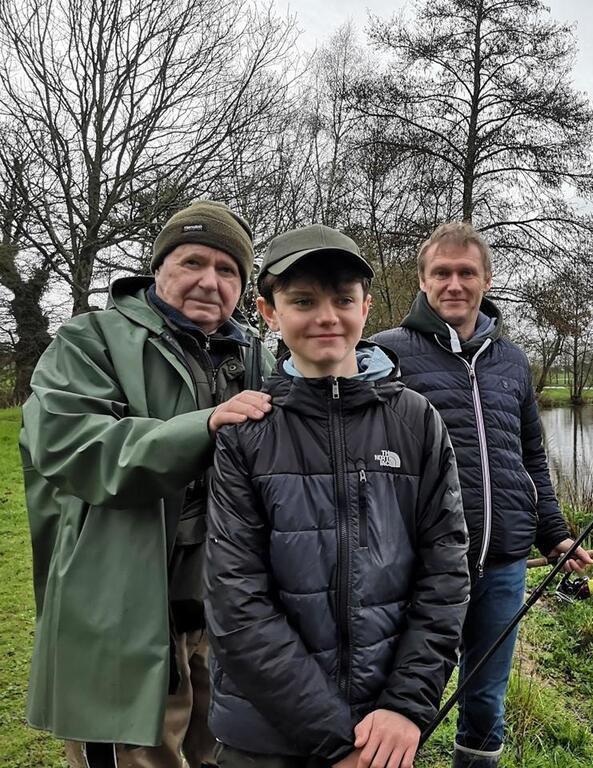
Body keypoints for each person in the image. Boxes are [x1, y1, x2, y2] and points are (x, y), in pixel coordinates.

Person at [20, 199, 275, 768]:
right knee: (135, 756)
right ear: (158, 267)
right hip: (123, 609)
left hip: (224, 612)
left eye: (228, 269)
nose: (210, 281)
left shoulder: (256, 357)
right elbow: (72, 448)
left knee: (221, 753)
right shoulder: (88, 341)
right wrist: (203, 427)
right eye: (192, 262)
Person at [204, 224, 471, 768]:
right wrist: (334, 741)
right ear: (267, 311)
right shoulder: (245, 430)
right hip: (264, 734)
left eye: (343, 300)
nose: (327, 317)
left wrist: (405, 707)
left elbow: (445, 575)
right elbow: (237, 602)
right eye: (302, 301)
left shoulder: (417, 420)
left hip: (382, 732)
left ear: (366, 308)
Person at [372, 222, 593, 767]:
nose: (454, 283)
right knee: (403, 696)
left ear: (485, 279)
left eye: (465, 272)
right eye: (441, 272)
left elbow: (531, 459)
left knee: (486, 700)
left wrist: (556, 535)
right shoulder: (386, 354)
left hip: (504, 563)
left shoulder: (513, 361)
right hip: (420, 565)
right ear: (423, 281)